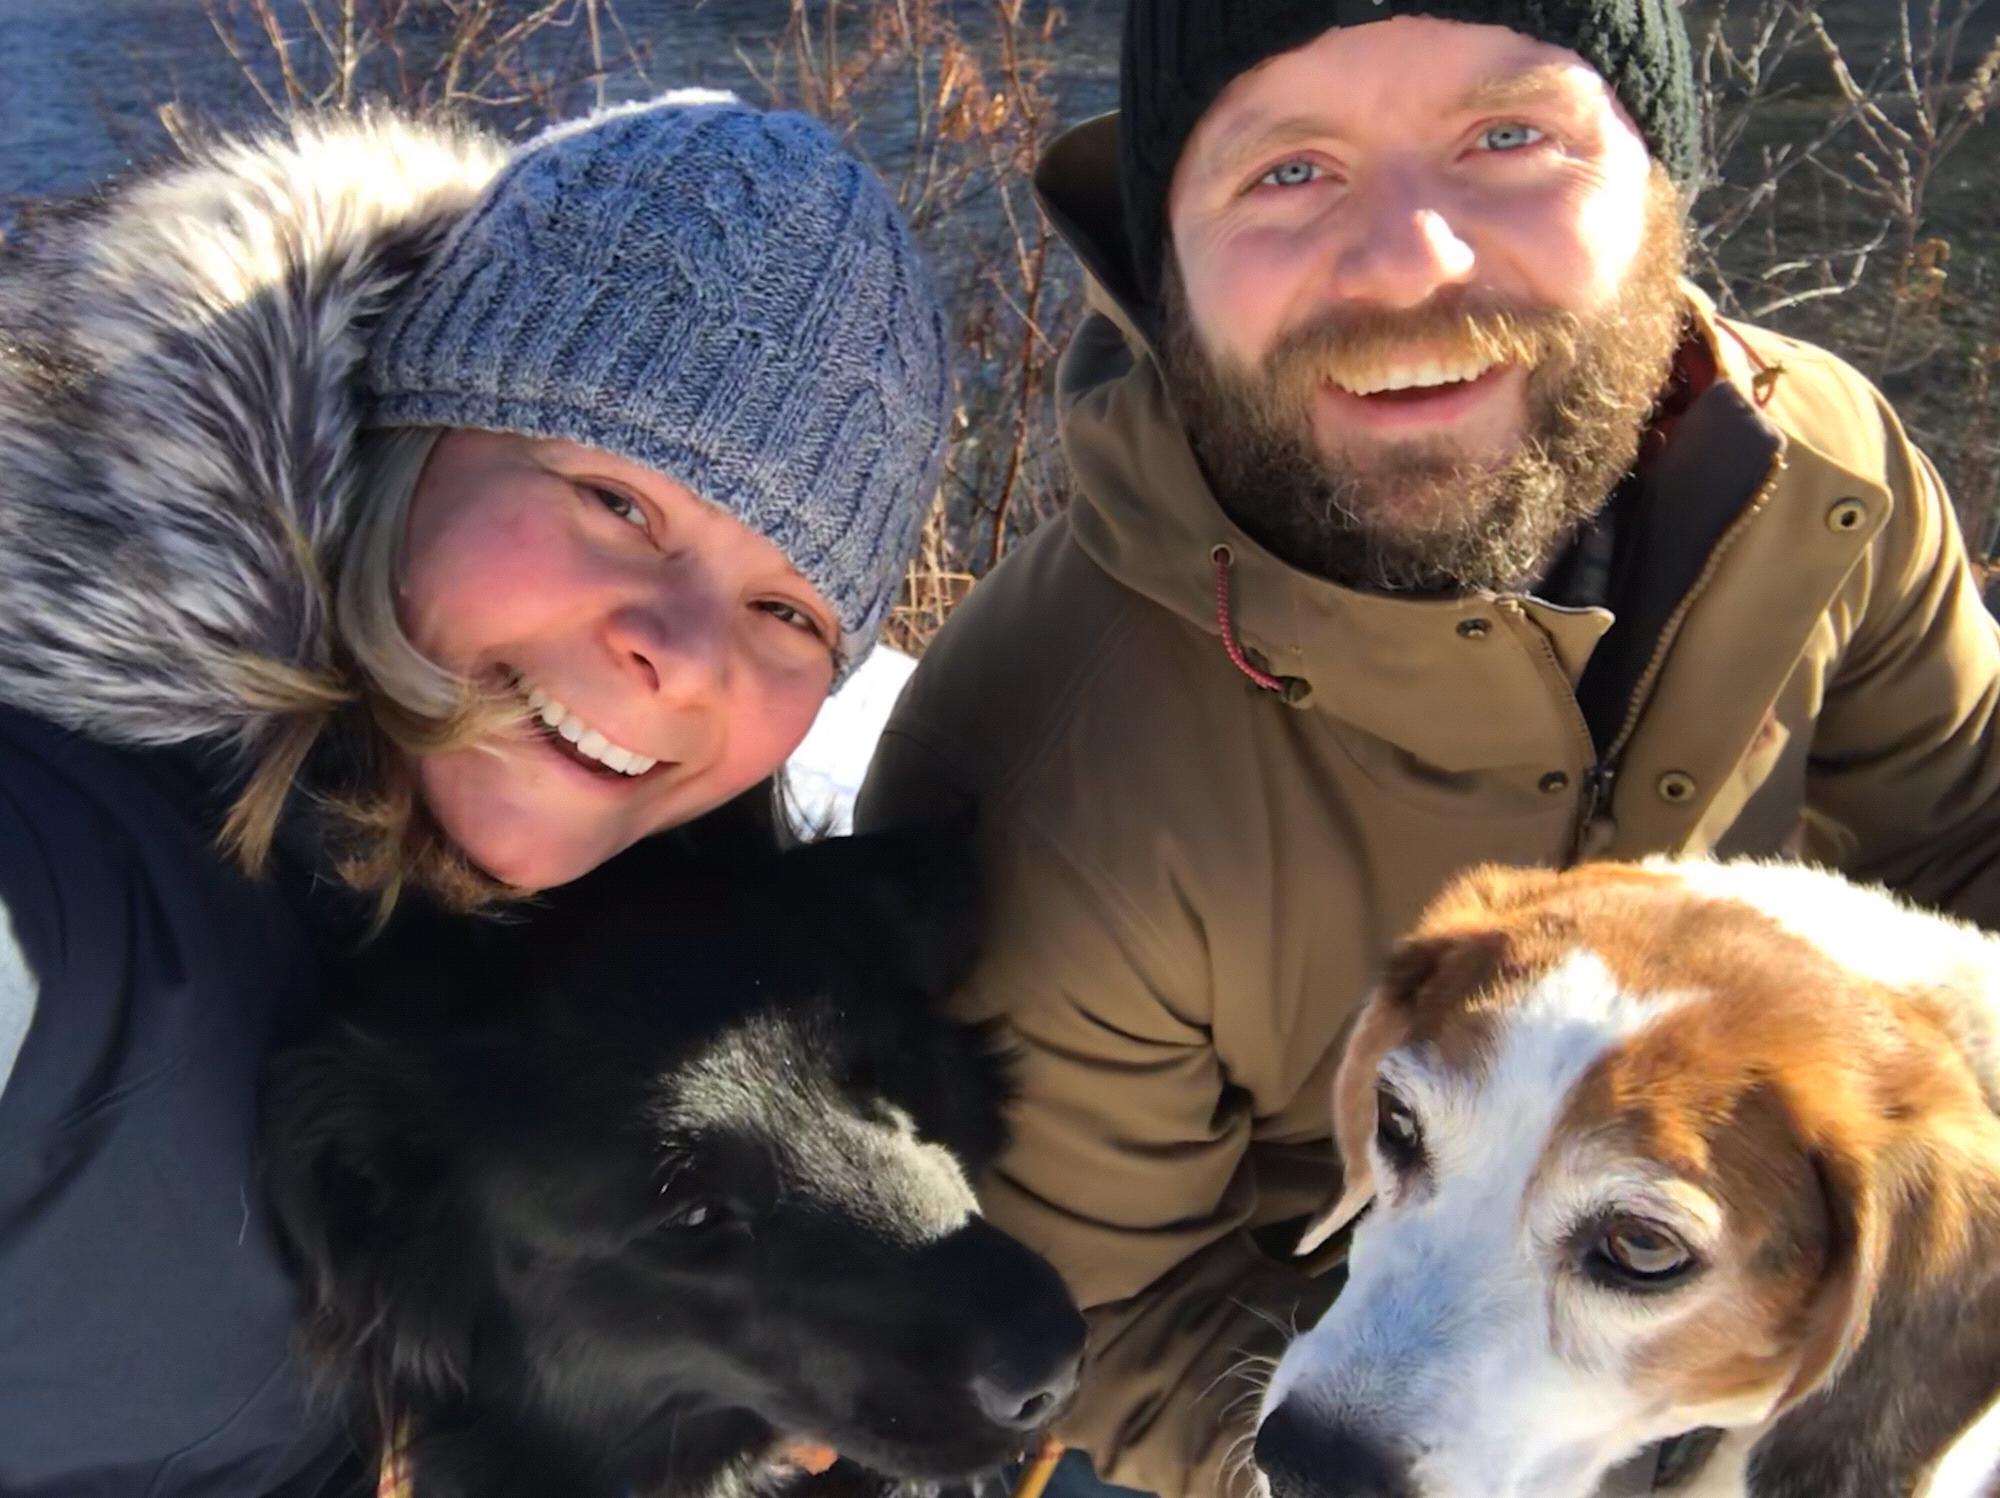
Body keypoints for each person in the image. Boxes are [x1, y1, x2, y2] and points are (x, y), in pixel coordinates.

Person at [856, 4, 2000, 1497]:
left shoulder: (1826, 475)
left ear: (1660, 179)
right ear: (1162, 249)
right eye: (1287, 169)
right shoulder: (1047, 778)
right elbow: (1109, 1315)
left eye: (1509, 136)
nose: (1411, 259)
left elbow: (1963, 846)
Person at [0, 90, 948, 1495]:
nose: (684, 656)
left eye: (788, 611)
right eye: (616, 502)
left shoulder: (607, 947)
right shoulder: (64, 868)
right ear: (407, 441)